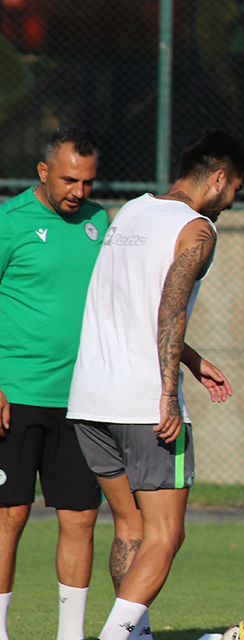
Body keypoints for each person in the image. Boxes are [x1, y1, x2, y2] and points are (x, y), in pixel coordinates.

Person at [66, 129, 244, 640]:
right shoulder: (197, 230)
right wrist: (168, 394)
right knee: (165, 535)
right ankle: (115, 636)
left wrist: (191, 359)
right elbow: (170, 306)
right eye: (235, 190)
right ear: (218, 179)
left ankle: (138, 634)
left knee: (130, 526)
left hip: (89, 398)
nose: (231, 203)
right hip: (143, 401)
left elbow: (133, 304)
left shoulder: (131, 211)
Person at [0, 127, 105, 640]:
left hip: (81, 400)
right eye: (68, 180)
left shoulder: (100, 221)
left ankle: (70, 635)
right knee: (9, 516)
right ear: (44, 172)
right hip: (16, 396)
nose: (78, 192)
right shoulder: (9, 221)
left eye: (87, 182)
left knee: (80, 518)